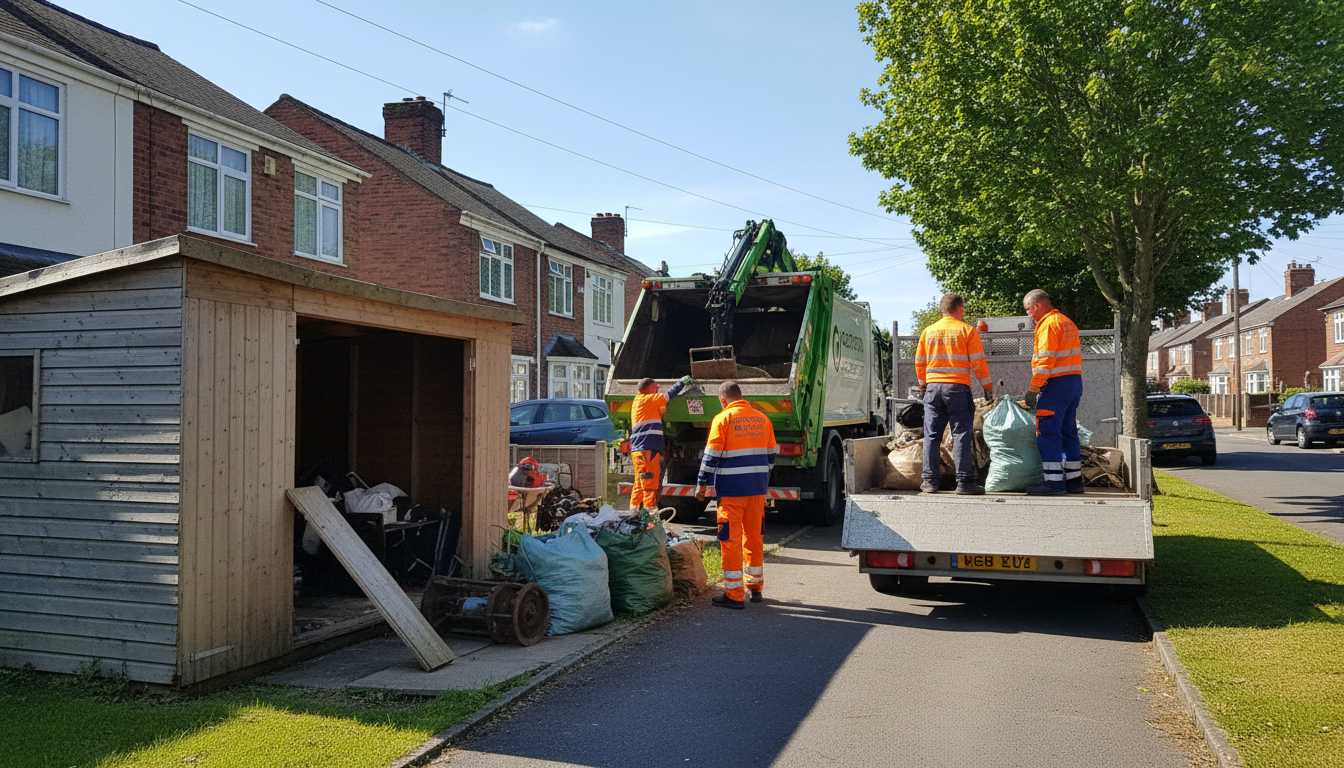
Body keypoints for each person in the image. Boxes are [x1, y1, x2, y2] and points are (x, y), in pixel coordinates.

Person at [695, 381, 778, 609]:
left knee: (730, 540)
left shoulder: (723, 419)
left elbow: (711, 456)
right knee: (754, 537)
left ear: (723, 400)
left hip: (732, 490)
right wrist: (759, 477)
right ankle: (756, 586)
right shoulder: (763, 419)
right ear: (742, 396)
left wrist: (702, 483)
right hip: (757, 490)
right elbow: (772, 455)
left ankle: (733, 594)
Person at [915, 293, 993, 495]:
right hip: (957, 389)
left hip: (932, 390)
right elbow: (978, 362)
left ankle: (930, 482)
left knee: (932, 436)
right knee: (961, 435)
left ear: (943, 310)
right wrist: (987, 386)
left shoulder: (928, 332)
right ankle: (965, 483)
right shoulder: (967, 331)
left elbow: (920, 361)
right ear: (960, 308)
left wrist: (923, 384)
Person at [1022, 289, 1084, 495]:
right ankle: (1074, 482)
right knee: (1068, 433)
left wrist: (1033, 390)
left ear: (1037, 305)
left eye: (1028, 310)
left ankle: (1054, 483)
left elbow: (1045, 362)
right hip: (1073, 383)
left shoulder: (1048, 325)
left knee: (1047, 432)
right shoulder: (1067, 322)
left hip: (1056, 386)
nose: (1028, 315)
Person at [629, 375, 692, 510]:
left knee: (639, 485)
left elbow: (653, 414)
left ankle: (632, 517)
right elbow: (668, 395)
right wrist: (681, 383)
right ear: (649, 389)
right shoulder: (648, 399)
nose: (657, 391)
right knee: (649, 486)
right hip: (647, 450)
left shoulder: (639, 401)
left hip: (641, 449)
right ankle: (651, 520)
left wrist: (660, 411)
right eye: (656, 388)